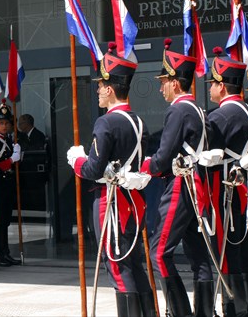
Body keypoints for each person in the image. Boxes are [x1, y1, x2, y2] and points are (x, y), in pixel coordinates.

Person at [67, 45, 153, 316]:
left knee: (116, 263)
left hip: (111, 202)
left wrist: (76, 160)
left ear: (110, 88)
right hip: (134, 200)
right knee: (134, 262)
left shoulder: (106, 123)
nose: (98, 90)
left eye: (101, 85)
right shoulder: (138, 120)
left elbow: (93, 169)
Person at [141, 39, 213, 317]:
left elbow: (163, 155)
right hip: (197, 187)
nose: (161, 88)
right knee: (199, 256)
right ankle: (204, 312)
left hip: (182, 187)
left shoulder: (179, 109)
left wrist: (145, 167)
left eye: (164, 81)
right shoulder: (197, 108)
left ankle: (180, 312)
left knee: (159, 253)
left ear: (175, 82)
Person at [199, 47, 248, 316]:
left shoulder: (220, 116)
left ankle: (235, 308)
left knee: (227, 251)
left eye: (213, 84)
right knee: (244, 249)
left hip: (227, 191)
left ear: (223, 85)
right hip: (246, 188)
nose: (210, 89)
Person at [0, 99, 22, 266]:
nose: (4, 126)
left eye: (7, 123)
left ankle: (5, 252)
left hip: (8, 184)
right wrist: (11, 159)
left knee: (6, 220)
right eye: (1, 123)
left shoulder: (9, 140)